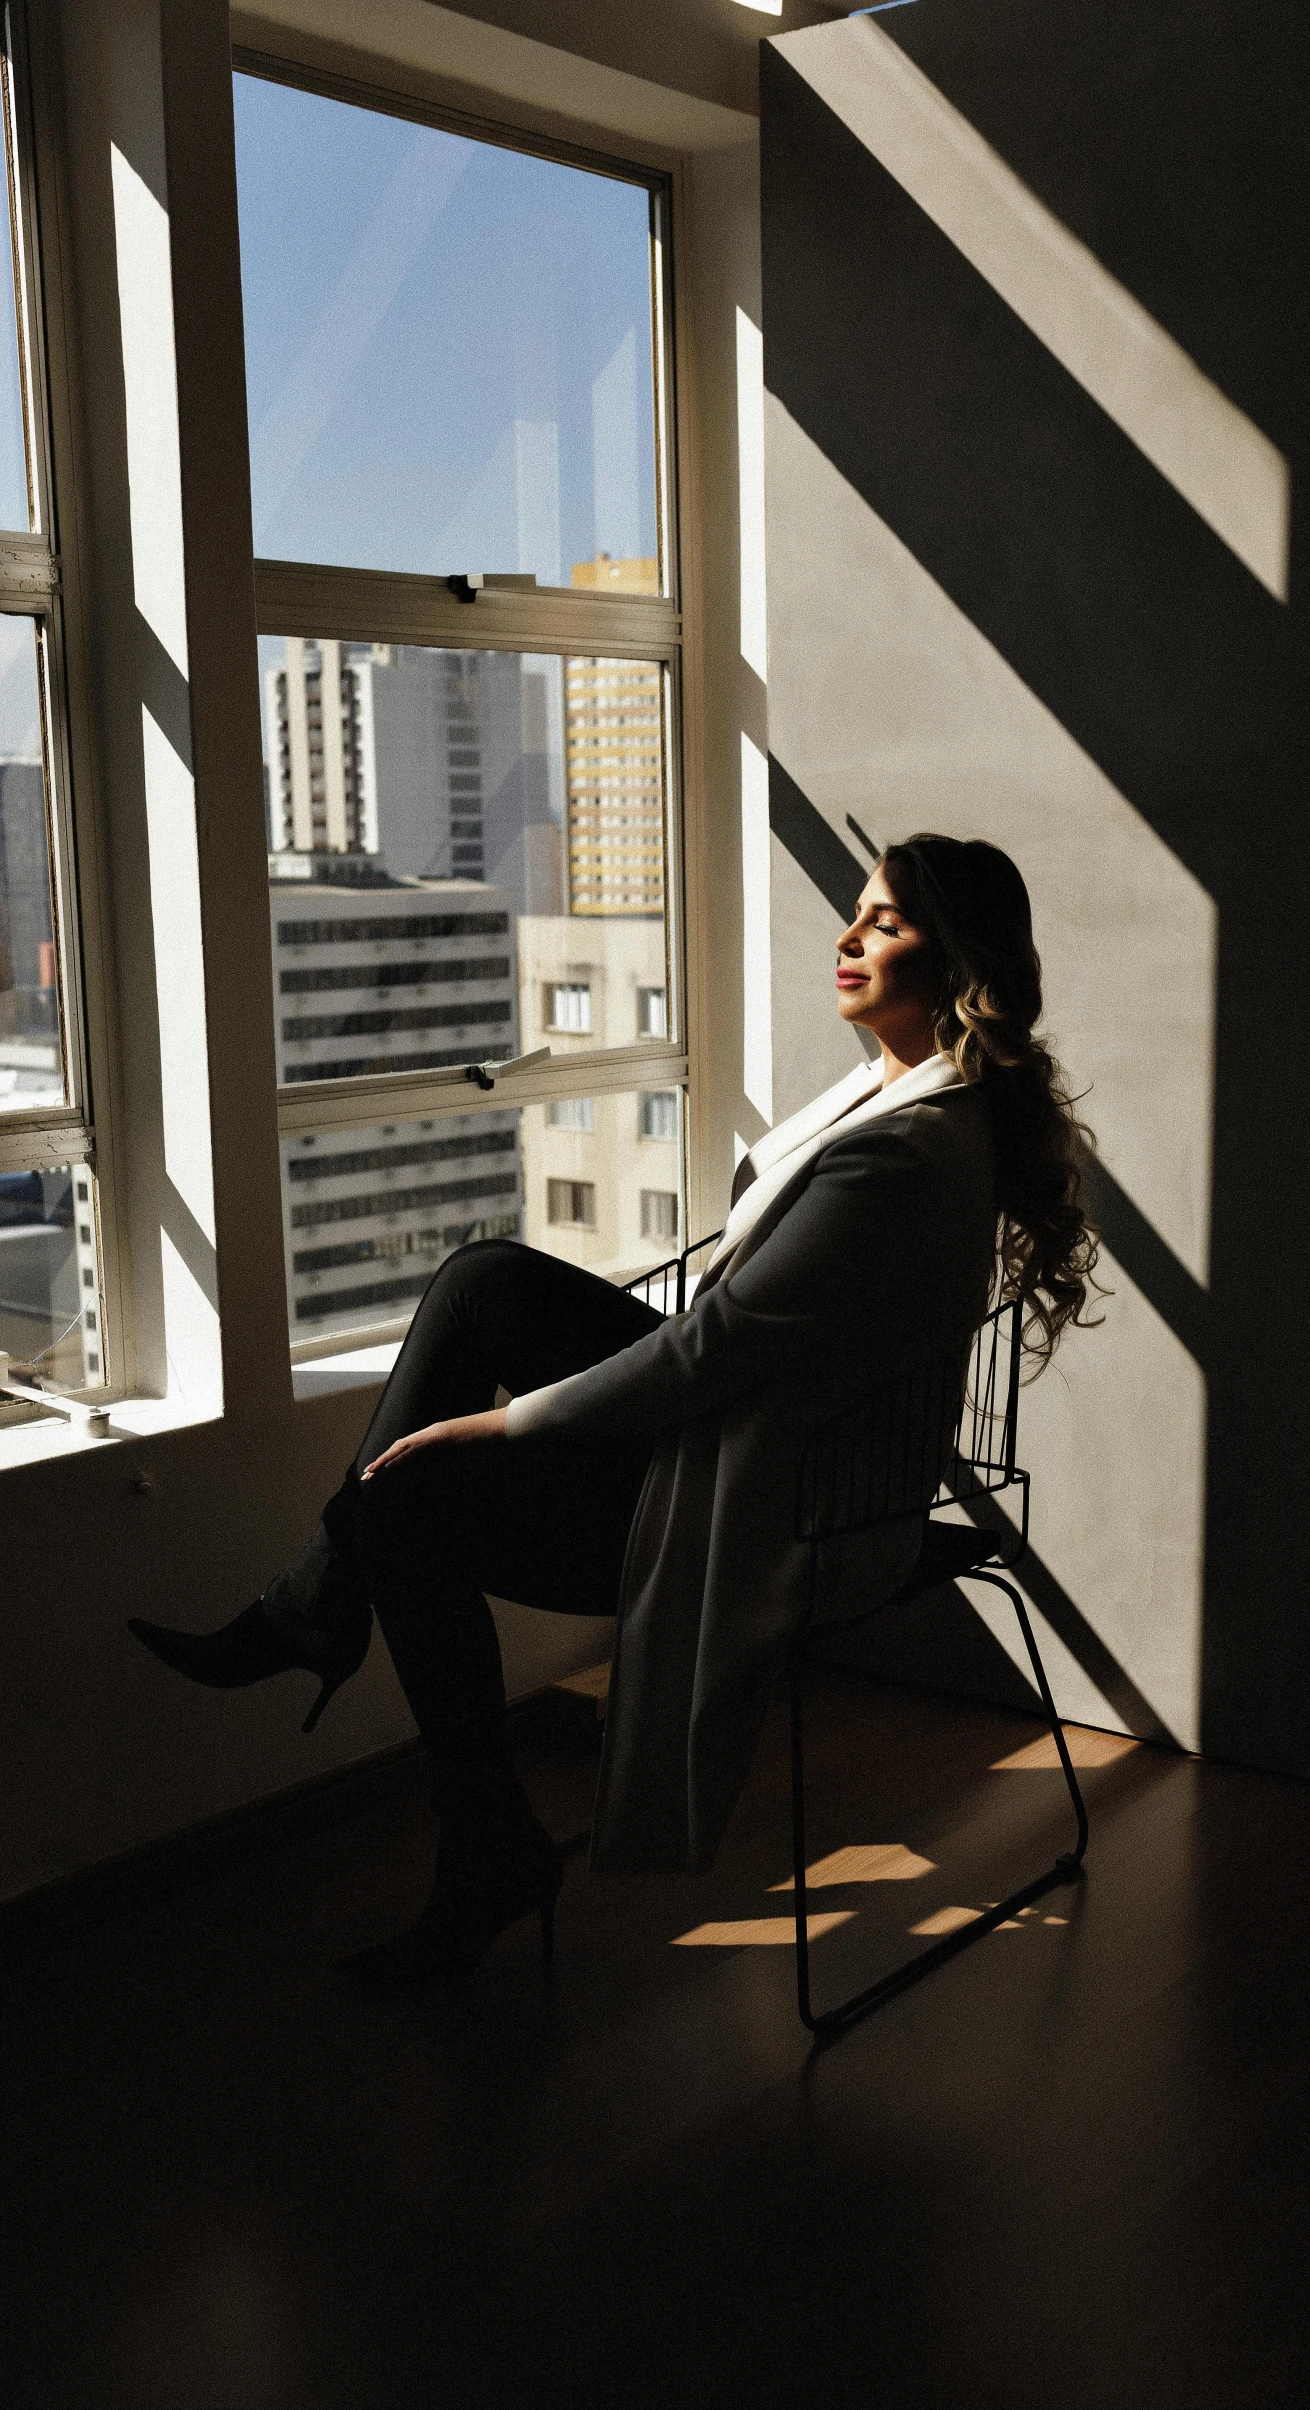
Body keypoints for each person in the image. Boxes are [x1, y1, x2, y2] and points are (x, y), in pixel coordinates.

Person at [130, 835, 1099, 1986]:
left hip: (779, 1496)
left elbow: (718, 1347)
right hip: (755, 1424)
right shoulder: (901, 1093)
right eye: (854, 910)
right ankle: (327, 1616)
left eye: (883, 923)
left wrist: (494, 1424)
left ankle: (396, 1721)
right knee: (485, 1283)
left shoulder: (911, 1150)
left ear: (958, 963)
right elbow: (737, 1325)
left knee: (403, 1508)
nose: (845, 937)